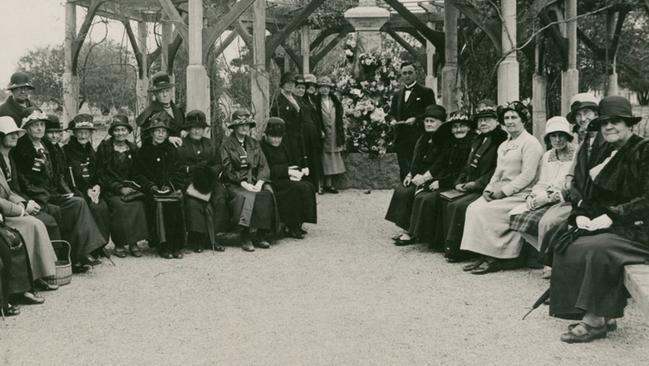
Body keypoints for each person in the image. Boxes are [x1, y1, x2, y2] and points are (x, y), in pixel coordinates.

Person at [549, 96, 649, 343]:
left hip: (642, 229)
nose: (608, 127)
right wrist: (583, 214)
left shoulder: (644, 150)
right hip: (621, 225)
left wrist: (613, 216)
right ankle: (603, 315)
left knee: (596, 249)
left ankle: (595, 322)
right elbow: (595, 195)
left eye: (615, 122)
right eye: (604, 123)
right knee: (569, 241)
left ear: (630, 124)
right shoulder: (612, 151)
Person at [12, 108, 105, 273]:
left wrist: (65, 191)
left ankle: (82, 253)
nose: (40, 129)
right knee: (58, 211)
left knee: (78, 202)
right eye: (35, 125)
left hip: (52, 193)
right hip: (37, 197)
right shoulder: (20, 149)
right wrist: (39, 196)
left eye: (42, 125)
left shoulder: (48, 146)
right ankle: (69, 258)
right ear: (27, 128)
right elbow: (23, 180)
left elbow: (57, 174)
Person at [460, 101, 544, 274]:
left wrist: (504, 192)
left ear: (523, 120)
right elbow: (498, 172)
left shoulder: (531, 143)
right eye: (506, 118)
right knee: (473, 207)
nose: (510, 121)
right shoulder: (504, 145)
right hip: (501, 191)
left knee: (486, 212)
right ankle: (482, 254)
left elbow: (527, 176)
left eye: (514, 117)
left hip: (522, 193)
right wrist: (489, 189)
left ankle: (496, 258)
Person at [538, 93, 611, 253]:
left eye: (586, 113)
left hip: (600, 203)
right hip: (579, 198)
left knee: (552, 222)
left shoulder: (606, 140)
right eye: (578, 115)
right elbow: (574, 175)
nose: (582, 118)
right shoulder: (586, 142)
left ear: (597, 114)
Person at [441, 100, 509, 261]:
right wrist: (459, 181)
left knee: (460, 206)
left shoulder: (500, 140)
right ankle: (449, 245)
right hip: (471, 183)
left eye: (487, 119)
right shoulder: (479, 139)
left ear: (496, 121)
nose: (483, 123)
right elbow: (468, 165)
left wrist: (475, 184)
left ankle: (462, 251)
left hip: (487, 185)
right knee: (447, 201)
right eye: (480, 120)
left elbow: (496, 170)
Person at [0, 115, 57, 300]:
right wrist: (20, 209)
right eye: (10, 134)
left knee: (36, 224)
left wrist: (23, 203)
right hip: (3, 213)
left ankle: (38, 275)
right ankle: (24, 286)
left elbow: (9, 191)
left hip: (10, 207)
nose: (15, 137)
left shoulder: (8, 159)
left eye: (17, 133)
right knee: (31, 225)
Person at [407, 111, 477, 250]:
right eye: (455, 127)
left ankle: (438, 241)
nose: (458, 129)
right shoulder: (451, 143)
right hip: (446, 178)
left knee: (431, 198)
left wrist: (442, 182)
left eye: (462, 126)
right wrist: (430, 178)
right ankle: (424, 235)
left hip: (460, 182)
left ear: (469, 128)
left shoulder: (472, 144)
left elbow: (464, 170)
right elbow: (442, 163)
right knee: (422, 195)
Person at [509, 117, 576, 251]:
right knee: (516, 216)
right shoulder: (547, 156)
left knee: (546, 223)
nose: (557, 140)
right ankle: (543, 251)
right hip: (544, 198)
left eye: (561, 135)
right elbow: (543, 182)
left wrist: (547, 197)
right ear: (548, 139)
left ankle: (550, 256)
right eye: (553, 136)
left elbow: (569, 185)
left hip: (564, 199)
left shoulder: (576, 155)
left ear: (567, 136)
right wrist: (532, 196)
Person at [385, 104, 447, 245]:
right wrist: (410, 175)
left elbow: (441, 163)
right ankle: (406, 227)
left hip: (435, 176)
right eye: (427, 121)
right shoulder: (423, 138)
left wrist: (426, 177)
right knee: (402, 190)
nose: (429, 124)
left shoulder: (444, 139)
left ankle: (411, 232)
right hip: (420, 175)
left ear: (441, 123)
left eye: (432, 121)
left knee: (413, 193)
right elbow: (416, 159)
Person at [220, 109, 277, 252]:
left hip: (255, 180)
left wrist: (259, 182)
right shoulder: (227, 145)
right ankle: (245, 235)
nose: (244, 127)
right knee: (247, 196)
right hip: (235, 183)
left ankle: (261, 233)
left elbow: (264, 165)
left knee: (267, 193)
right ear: (234, 127)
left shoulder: (254, 143)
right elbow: (227, 170)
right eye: (241, 125)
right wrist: (243, 183)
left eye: (247, 125)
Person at [174, 110, 228, 253]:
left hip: (210, 180)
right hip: (190, 180)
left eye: (200, 127)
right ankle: (197, 238)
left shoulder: (210, 144)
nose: (197, 131)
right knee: (193, 203)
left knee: (220, 199)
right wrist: (192, 168)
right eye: (193, 127)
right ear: (188, 129)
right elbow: (177, 167)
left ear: (204, 129)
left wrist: (211, 171)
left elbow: (219, 163)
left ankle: (212, 238)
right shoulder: (181, 145)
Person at [133, 112, 185, 259]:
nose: (160, 135)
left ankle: (176, 245)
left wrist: (170, 185)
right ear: (152, 133)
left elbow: (178, 170)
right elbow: (138, 174)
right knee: (158, 206)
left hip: (169, 188)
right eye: (157, 131)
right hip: (151, 190)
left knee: (174, 204)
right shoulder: (144, 151)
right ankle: (163, 245)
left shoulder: (172, 150)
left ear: (167, 134)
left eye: (163, 132)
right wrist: (151, 186)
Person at [95, 115, 149, 258]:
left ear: (128, 131)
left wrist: (135, 186)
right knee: (119, 205)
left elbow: (138, 172)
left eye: (123, 130)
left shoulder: (133, 148)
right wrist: (118, 188)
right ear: (112, 132)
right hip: (110, 188)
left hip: (129, 187)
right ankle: (119, 243)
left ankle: (133, 242)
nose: (120, 133)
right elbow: (101, 174)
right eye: (117, 130)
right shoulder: (104, 148)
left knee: (137, 203)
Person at [261, 117, 317, 239]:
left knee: (308, 186)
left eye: (279, 137)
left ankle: (299, 222)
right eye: (273, 136)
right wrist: (286, 171)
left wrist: (295, 170)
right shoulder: (263, 147)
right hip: (271, 180)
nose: (276, 140)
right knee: (296, 189)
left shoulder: (283, 146)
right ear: (267, 135)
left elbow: (290, 161)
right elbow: (265, 169)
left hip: (285, 177)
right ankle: (291, 225)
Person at [64, 114, 111, 258]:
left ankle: (100, 245)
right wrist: (86, 190)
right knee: (87, 206)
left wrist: (97, 186)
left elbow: (98, 172)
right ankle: (87, 248)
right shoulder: (66, 151)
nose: (83, 135)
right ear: (74, 133)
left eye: (86, 132)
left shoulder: (91, 150)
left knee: (101, 206)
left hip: (93, 190)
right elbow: (68, 177)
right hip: (76, 190)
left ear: (91, 133)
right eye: (80, 132)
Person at [388, 62, 436, 181]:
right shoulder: (397, 94)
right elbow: (391, 113)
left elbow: (433, 112)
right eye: (404, 73)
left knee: (417, 168)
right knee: (404, 169)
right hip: (401, 138)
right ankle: (404, 195)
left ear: (416, 73)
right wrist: (393, 120)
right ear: (401, 75)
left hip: (419, 137)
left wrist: (416, 119)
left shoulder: (426, 92)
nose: (407, 75)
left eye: (410, 72)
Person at [136, 71, 184, 147]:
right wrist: (167, 139)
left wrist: (184, 131)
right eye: (161, 92)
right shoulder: (149, 113)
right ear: (155, 94)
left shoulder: (178, 110)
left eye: (167, 91)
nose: (165, 95)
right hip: (159, 153)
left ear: (171, 92)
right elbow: (145, 138)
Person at [315, 76, 346, 193]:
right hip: (323, 134)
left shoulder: (334, 101)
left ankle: (329, 184)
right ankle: (321, 185)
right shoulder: (316, 102)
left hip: (333, 133)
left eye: (327, 87)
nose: (325, 90)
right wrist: (319, 130)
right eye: (322, 87)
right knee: (322, 158)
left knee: (332, 158)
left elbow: (339, 117)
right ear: (319, 89)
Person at [270, 72, 306, 167]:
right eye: (287, 83)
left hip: (298, 137)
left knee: (300, 162)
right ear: (282, 85)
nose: (290, 85)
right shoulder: (278, 101)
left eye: (293, 83)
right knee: (290, 163)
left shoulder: (296, 99)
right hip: (286, 138)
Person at [294, 75, 323, 192]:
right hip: (303, 133)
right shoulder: (294, 100)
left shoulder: (307, 100)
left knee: (313, 158)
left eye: (303, 88)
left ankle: (313, 185)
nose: (301, 90)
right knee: (304, 158)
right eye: (299, 87)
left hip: (312, 133)